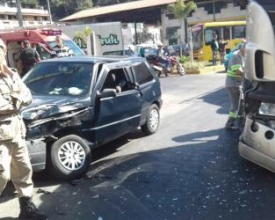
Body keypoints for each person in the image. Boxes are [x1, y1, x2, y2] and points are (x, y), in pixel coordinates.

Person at [0, 42, 47, 219]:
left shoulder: (11, 75)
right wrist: (16, 100)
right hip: (0, 136)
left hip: (16, 131)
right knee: (2, 173)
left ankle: (27, 209)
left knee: (24, 170)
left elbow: (27, 95)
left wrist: (16, 101)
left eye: (1, 51)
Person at [225, 40, 246, 130]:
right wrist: (249, 75)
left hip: (238, 83)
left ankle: (239, 121)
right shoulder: (236, 55)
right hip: (233, 84)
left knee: (239, 104)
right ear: (243, 48)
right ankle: (229, 124)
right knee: (236, 106)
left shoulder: (244, 55)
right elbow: (238, 71)